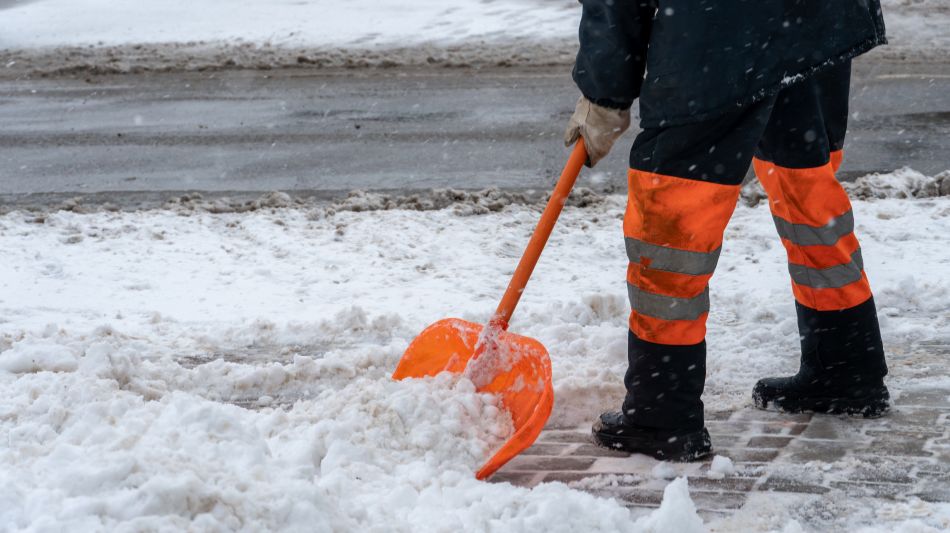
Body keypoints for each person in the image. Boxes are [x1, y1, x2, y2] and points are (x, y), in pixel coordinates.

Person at [564, 0, 891, 461]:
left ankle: (662, 413)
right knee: (805, 179)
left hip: (720, 24)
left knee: (675, 209)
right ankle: (846, 367)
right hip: (817, 17)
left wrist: (604, 94)